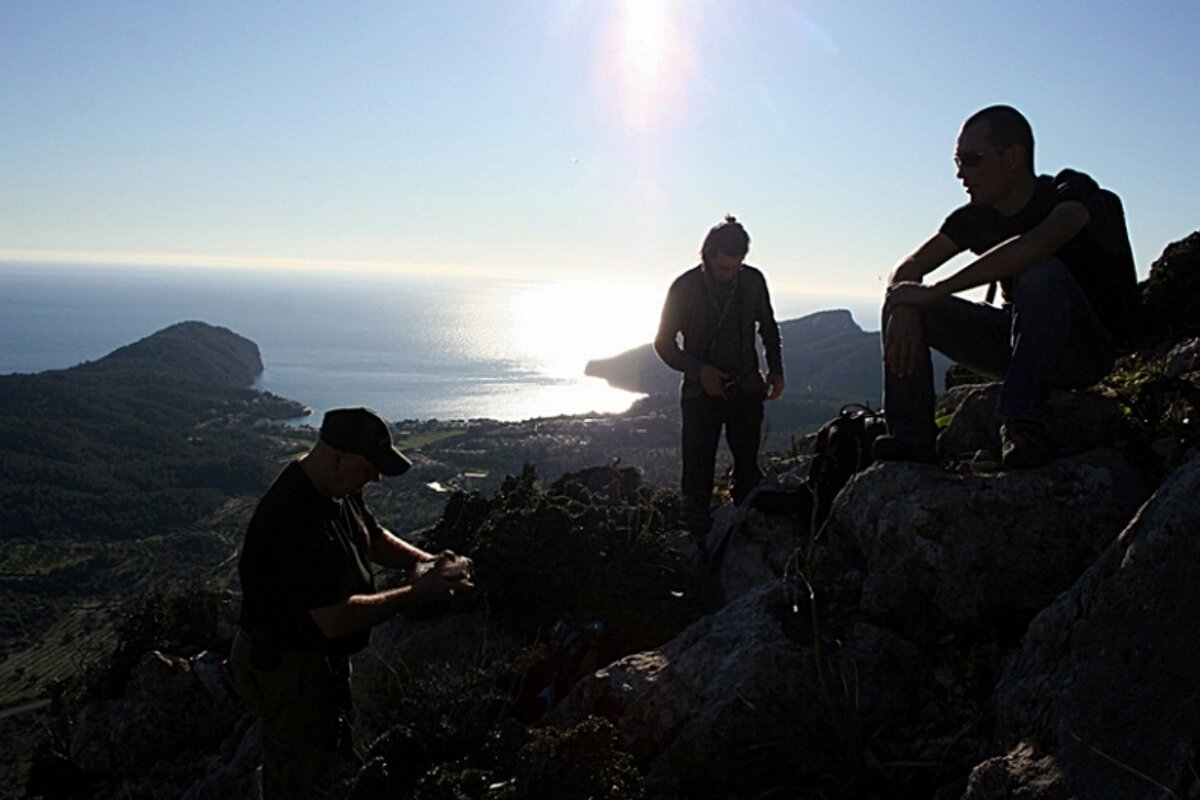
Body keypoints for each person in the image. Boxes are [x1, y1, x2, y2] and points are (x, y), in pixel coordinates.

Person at [229, 406, 473, 799]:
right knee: (297, 772)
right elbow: (334, 618)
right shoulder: (293, 517)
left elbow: (372, 535)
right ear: (337, 456)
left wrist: (425, 562)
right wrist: (415, 593)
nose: (375, 477)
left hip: (317, 660)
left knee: (327, 751)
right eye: (369, 467)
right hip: (288, 667)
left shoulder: (335, 486)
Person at [877, 105, 1137, 469]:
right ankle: (911, 441)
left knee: (1040, 272)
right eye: (957, 161)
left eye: (971, 160)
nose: (960, 174)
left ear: (1013, 156)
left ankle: (1020, 426)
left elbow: (1037, 245)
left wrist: (934, 291)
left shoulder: (1072, 193)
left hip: (1086, 350)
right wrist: (905, 303)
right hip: (1020, 347)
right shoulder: (977, 216)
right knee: (900, 298)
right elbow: (910, 264)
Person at [654, 215, 786, 534]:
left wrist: (776, 371)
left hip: (747, 389)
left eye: (736, 267)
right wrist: (700, 371)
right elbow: (663, 343)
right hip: (701, 395)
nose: (730, 274)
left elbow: (768, 327)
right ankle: (695, 544)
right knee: (696, 481)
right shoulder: (684, 287)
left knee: (747, 470)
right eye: (724, 267)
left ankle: (742, 532)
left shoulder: (752, 281)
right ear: (708, 255)